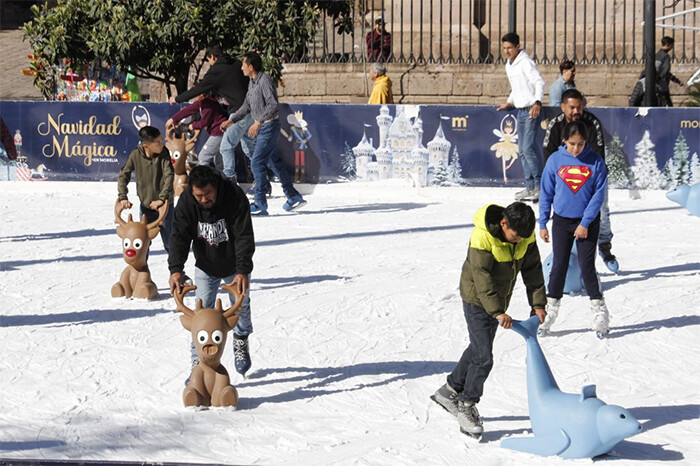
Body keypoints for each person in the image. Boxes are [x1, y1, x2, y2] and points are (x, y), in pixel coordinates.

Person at [432, 202, 547, 436]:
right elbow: (482, 279)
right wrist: (497, 312)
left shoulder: (524, 236)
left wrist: (537, 304)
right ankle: (466, 405)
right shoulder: (481, 237)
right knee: (484, 357)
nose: (518, 241)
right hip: (476, 298)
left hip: (499, 300)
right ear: (503, 223)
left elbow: (533, 270)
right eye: (514, 236)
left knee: (478, 348)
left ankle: (449, 390)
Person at [168, 165, 255, 377]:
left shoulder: (234, 196)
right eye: (199, 195)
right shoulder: (188, 201)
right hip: (205, 264)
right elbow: (179, 235)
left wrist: (242, 270)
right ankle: (198, 363)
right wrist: (176, 269)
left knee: (240, 306)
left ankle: (241, 338)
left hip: (234, 264)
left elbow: (244, 235)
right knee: (201, 314)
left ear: (215, 186)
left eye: (207, 194)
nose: (204, 199)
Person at [538, 121, 610, 338]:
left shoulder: (595, 162)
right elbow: (546, 193)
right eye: (571, 144)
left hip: (587, 222)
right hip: (562, 221)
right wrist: (542, 223)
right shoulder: (555, 160)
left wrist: (585, 223)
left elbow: (599, 196)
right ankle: (550, 309)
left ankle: (600, 312)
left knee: (586, 265)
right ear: (564, 141)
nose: (576, 149)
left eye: (580, 144)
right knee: (558, 265)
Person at [222, 52, 306, 216]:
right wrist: (232, 121)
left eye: (243, 64)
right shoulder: (252, 83)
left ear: (251, 67)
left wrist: (258, 121)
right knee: (274, 162)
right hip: (264, 127)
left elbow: (273, 105)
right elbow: (247, 105)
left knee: (257, 162)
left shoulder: (265, 81)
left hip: (269, 126)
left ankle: (260, 202)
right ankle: (293, 195)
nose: (241, 68)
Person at [543, 88, 618, 271]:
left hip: (590, 176)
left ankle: (605, 246)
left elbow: (597, 158)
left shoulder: (592, 123)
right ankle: (567, 255)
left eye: (579, 107)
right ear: (562, 107)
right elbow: (548, 158)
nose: (576, 111)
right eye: (572, 107)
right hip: (564, 177)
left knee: (601, 209)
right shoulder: (555, 125)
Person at [169, 44, 254, 182]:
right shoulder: (237, 63)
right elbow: (191, 108)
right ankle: (263, 181)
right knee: (249, 148)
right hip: (250, 109)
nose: (210, 64)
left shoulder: (216, 72)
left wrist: (177, 99)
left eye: (209, 60)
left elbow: (198, 91)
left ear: (212, 57)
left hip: (238, 112)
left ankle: (230, 183)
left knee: (225, 148)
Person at [497, 32, 545, 203]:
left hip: (531, 110)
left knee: (528, 149)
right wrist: (509, 102)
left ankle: (539, 187)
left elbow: (539, 82)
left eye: (509, 47)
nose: (506, 51)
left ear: (518, 46)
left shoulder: (525, 63)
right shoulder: (509, 64)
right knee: (522, 151)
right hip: (520, 111)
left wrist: (537, 102)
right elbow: (517, 88)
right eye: (504, 48)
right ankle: (530, 186)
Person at [117, 125, 174, 252]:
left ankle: (177, 271)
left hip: (165, 207)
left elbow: (169, 175)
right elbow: (123, 175)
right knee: (143, 244)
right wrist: (123, 196)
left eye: (161, 141)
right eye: (158, 142)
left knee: (170, 243)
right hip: (146, 207)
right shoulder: (135, 155)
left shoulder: (164, 153)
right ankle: (141, 271)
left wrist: (162, 199)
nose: (162, 144)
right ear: (145, 145)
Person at [166, 92, 228, 167]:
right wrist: (173, 119)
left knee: (203, 157)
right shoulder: (201, 102)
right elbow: (188, 110)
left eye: (197, 92)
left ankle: (203, 177)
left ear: (203, 93)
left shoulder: (209, 104)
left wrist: (193, 126)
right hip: (219, 132)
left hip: (219, 132)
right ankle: (222, 177)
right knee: (219, 158)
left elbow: (205, 121)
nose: (195, 95)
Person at [655, 36, 683, 107]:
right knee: (666, 105)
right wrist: (677, 81)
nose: (672, 47)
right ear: (668, 44)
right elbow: (665, 72)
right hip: (662, 85)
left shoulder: (656, 55)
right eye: (672, 45)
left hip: (654, 84)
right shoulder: (666, 56)